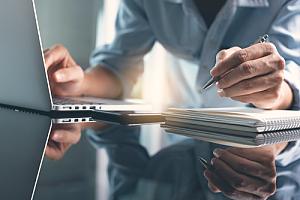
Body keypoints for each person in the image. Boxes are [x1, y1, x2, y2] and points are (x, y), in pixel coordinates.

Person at [44, 0, 300, 199]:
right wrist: (80, 82)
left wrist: (277, 93)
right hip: (182, 132)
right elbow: (118, 68)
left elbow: (293, 73)